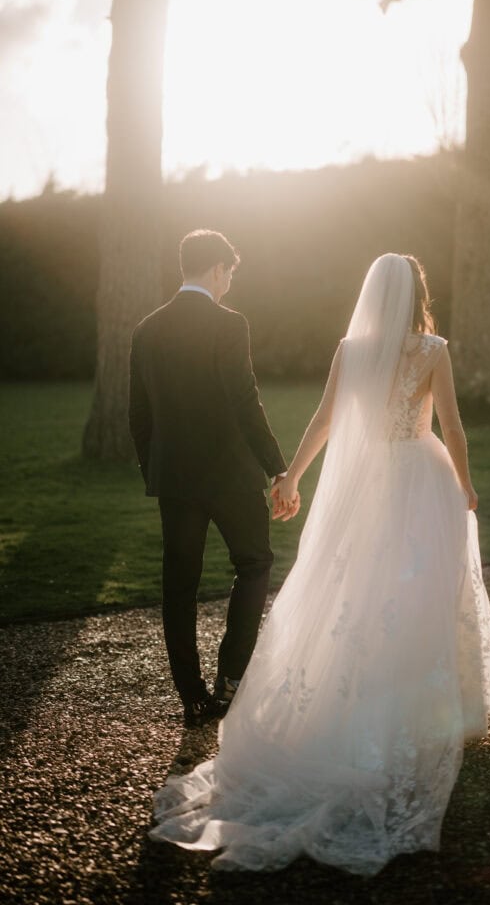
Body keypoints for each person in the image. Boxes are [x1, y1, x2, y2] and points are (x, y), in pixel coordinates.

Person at [149, 252, 490, 875]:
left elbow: (323, 420)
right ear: (418, 292)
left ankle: (367, 703)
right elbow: (451, 425)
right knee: (424, 586)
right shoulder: (432, 349)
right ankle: (428, 712)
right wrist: (467, 484)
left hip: (366, 482)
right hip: (420, 476)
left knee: (360, 592)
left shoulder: (351, 349)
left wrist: (291, 475)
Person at [128, 229, 295, 729]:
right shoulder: (230, 323)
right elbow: (245, 399)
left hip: (175, 480)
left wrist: (154, 470)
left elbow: (138, 415)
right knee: (255, 563)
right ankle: (231, 678)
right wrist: (277, 467)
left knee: (179, 584)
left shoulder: (146, 330)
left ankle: (192, 697)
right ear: (219, 269)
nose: (228, 285)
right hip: (231, 475)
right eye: (229, 275)